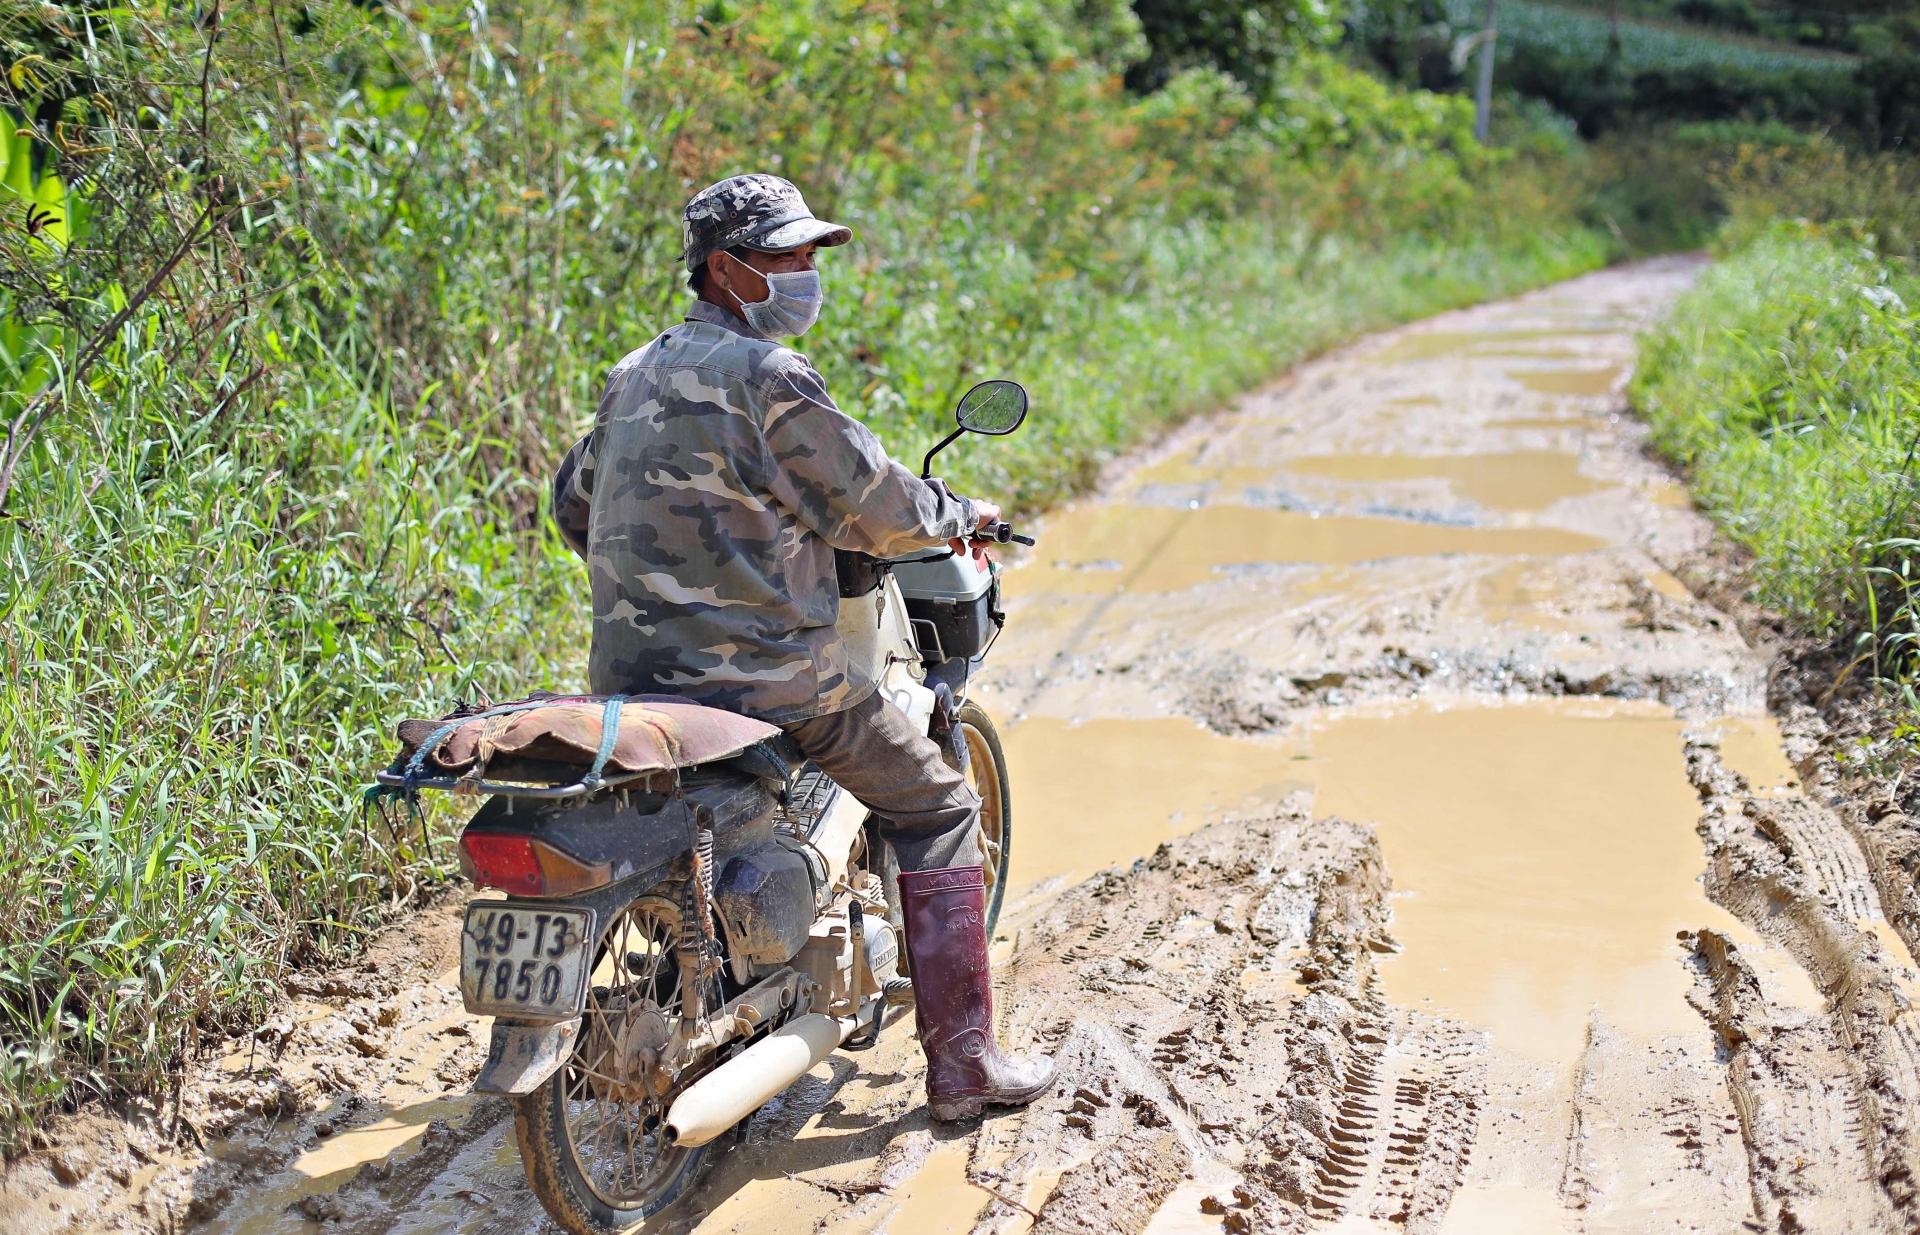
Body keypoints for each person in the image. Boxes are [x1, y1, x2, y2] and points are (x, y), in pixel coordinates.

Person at [549, 173, 1054, 1121]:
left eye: (810, 256)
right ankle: (966, 1065)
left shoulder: (630, 374)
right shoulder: (770, 379)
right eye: (786, 257)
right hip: (773, 684)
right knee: (941, 804)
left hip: (634, 686)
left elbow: (574, 508)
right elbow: (876, 504)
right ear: (726, 270)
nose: (805, 273)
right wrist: (964, 513)